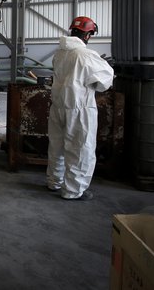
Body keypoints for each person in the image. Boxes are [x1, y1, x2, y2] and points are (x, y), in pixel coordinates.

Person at [46, 16, 114, 201]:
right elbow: (103, 83)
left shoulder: (59, 53)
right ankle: (73, 191)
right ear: (89, 34)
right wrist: (106, 66)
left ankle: (54, 181)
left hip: (58, 106)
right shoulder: (86, 55)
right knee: (80, 149)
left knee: (57, 147)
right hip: (79, 108)